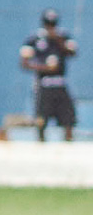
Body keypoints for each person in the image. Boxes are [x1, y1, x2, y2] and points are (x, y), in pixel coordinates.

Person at [21, 10, 77, 141]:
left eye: (53, 24)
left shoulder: (63, 37)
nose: (50, 27)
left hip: (60, 83)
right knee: (41, 119)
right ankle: (41, 145)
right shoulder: (35, 39)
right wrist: (45, 68)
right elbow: (24, 62)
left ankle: (68, 145)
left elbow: (72, 52)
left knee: (68, 118)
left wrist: (58, 40)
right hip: (44, 84)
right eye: (48, 24)